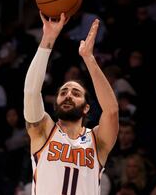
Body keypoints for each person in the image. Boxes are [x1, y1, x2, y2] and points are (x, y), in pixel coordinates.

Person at [23, 12, 119, 195]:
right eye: (63, 92)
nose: (68, 95)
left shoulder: (97, 140)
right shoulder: (43, 130)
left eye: (76, 93)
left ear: (86, 107)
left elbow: (111, 111)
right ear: (56, 103)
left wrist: (89, 59)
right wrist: (48, 39)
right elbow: (31, 92)